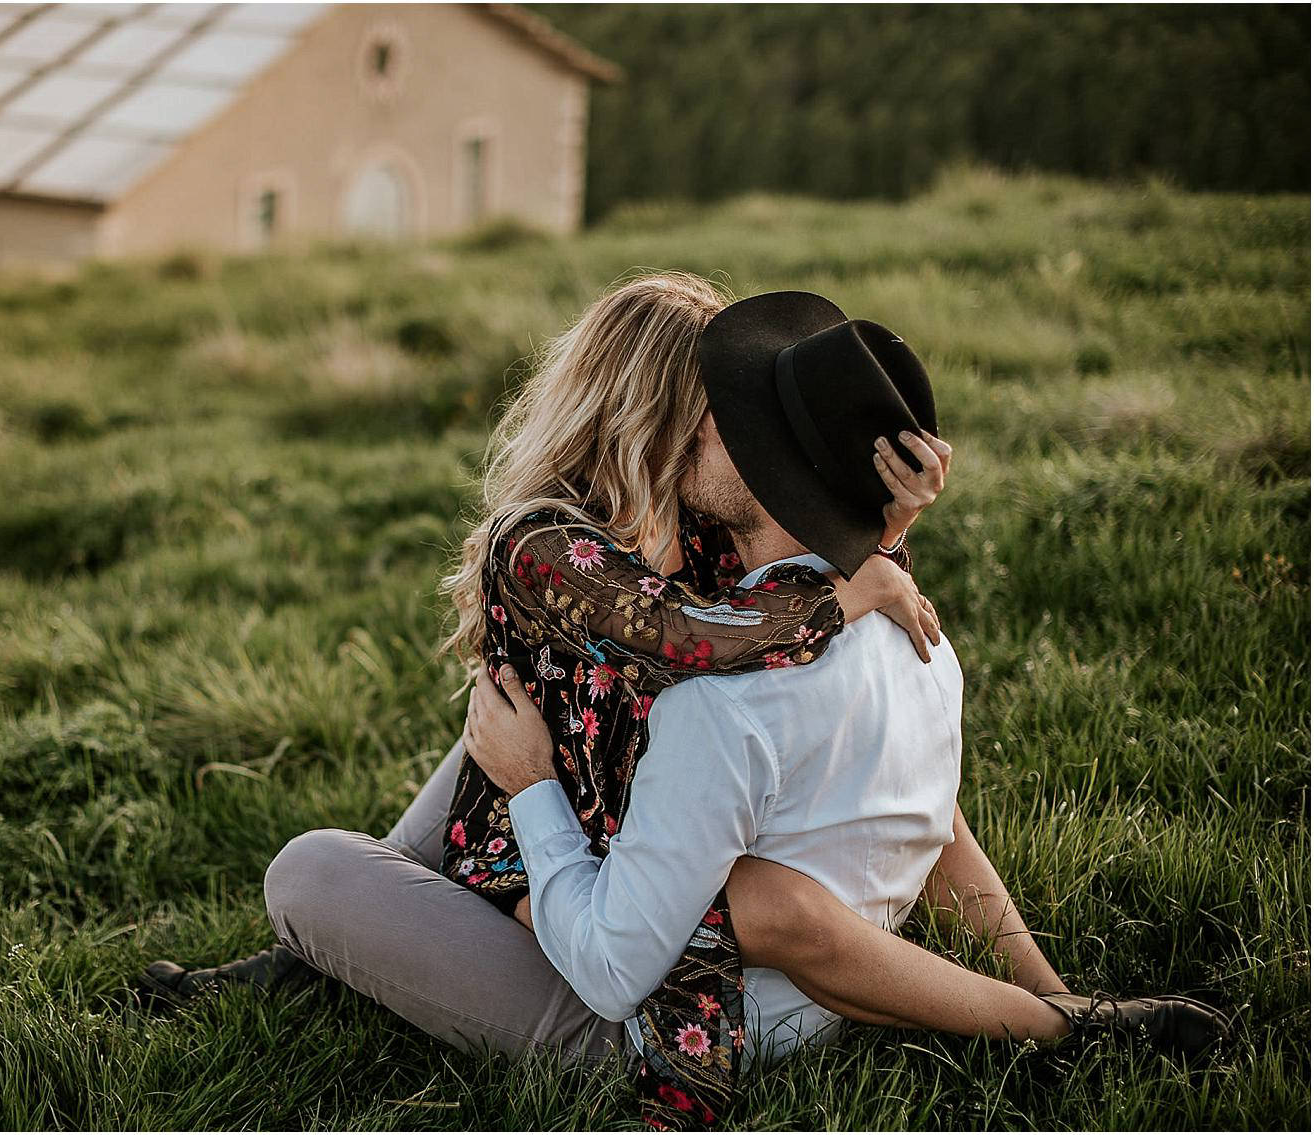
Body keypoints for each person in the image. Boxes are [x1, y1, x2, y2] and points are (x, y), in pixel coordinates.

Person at [141, 277, 1227, 1125]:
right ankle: (309, 957)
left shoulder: (699, 530)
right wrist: (850, 590)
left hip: (602, 914)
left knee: (403, 802)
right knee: (375, 819)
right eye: (723, 411)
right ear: (652, 414)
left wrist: (884, 533)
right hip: (560, 856)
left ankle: (322, 944)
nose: (743, 433)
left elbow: (781, 583)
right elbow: (692, 638)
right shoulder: (544, 542)